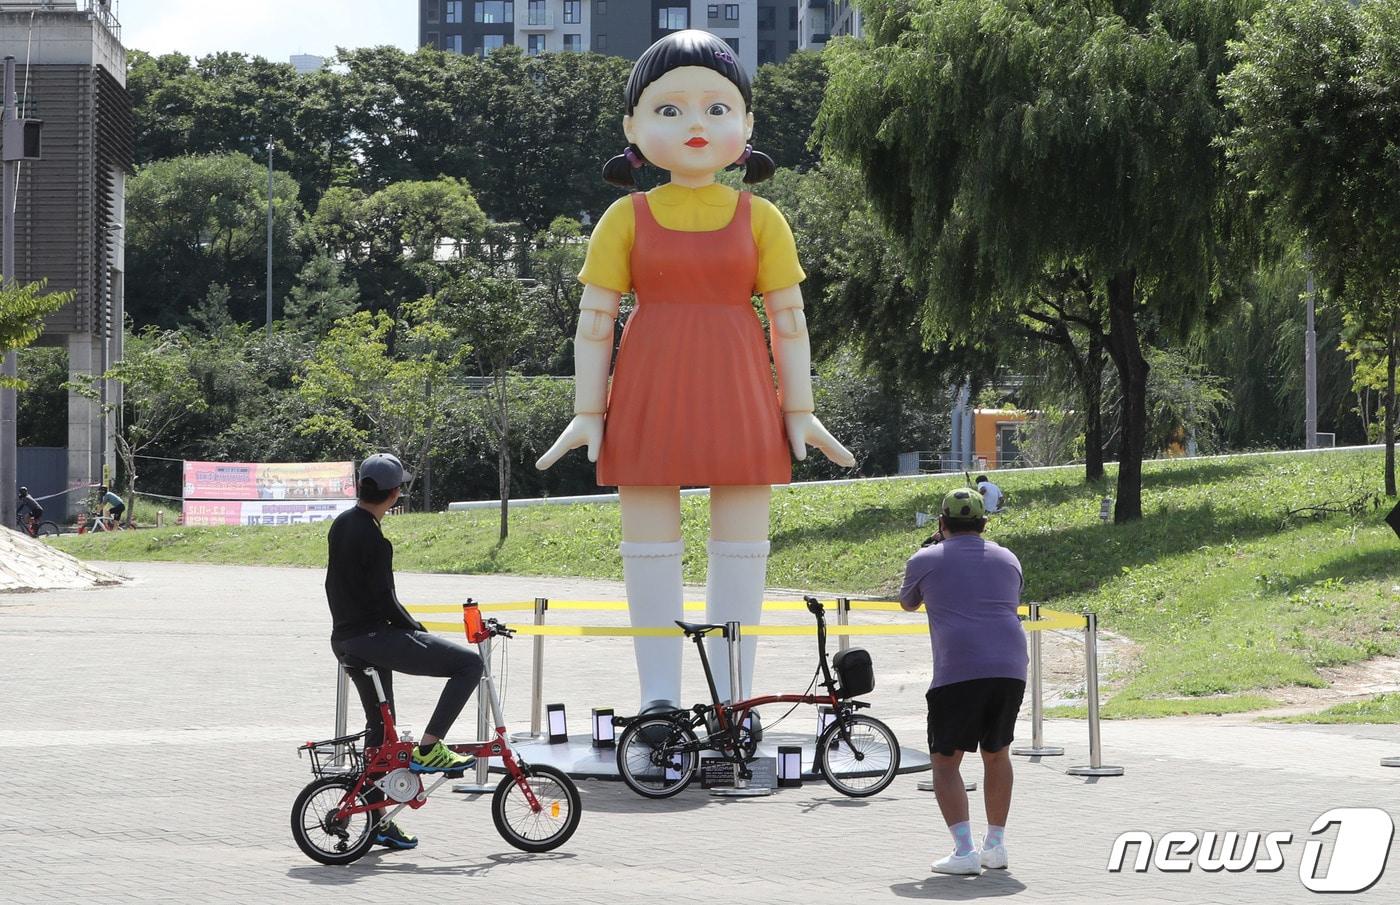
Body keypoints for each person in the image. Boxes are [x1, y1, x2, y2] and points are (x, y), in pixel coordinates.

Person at [535, 30, 853, 716]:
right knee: (648, 543)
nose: (696, 125)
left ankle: (732, 696)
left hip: (741, 386)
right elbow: (593, 321)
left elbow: (791, 321)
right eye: (670, 109)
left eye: (716, 108)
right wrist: (589, 410)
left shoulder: (762, 218)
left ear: (746, 126)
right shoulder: (626, 217)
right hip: (648, 387)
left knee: (743, 544)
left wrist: (798, 410)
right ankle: (659, 696)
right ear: (632, 127)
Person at [325, 453, 485, 851]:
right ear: (394, 494)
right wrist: (417, 631)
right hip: (375, 639)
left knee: (381, 728)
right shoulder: (376, 539)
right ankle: (430, 748)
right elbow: (386, 601)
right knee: (468, 664)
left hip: (345, 640)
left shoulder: (341, 525)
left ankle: (374, 821)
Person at [900, 487, 1027, 876]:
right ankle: (997, 845)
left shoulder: (924, 558)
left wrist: (932, 549)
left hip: (959, 669)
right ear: (984, 523)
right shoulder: (1008, 558)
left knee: (944, 761)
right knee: (997, 753)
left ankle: (963, 851)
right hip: (1010, 666)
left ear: (942, 523)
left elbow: (908, 602)